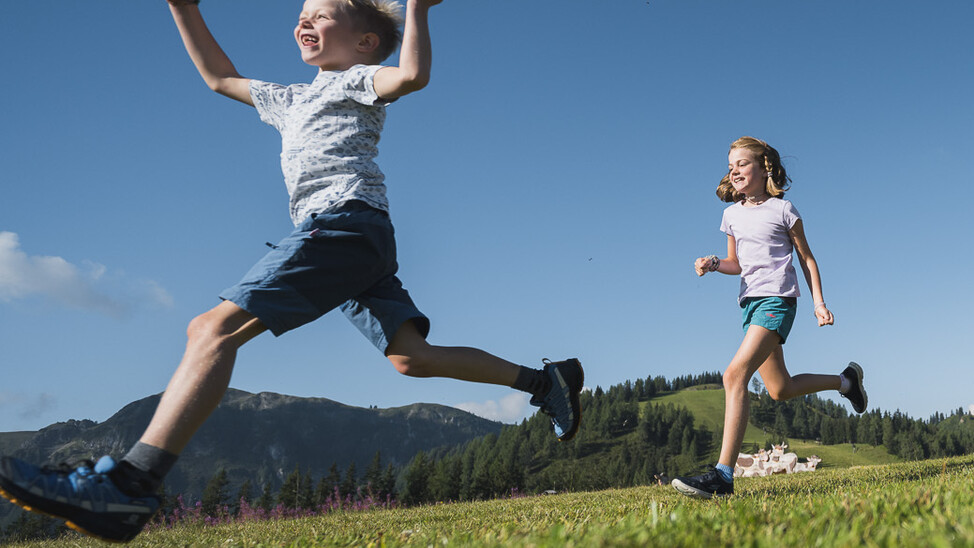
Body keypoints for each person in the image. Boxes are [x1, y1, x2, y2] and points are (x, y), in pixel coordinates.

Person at [0, 1, 583, 541]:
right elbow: (219, 78)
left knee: (209, 330)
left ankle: (128, 486)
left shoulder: (355, 80)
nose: (303, 21)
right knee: (412, 358)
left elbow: (411, 78)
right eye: (301, 14)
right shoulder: (289, 100)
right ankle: (543, 382)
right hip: (354, 242)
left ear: (364, 41)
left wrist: (418, 10)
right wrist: (184, 8)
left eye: (321, 14)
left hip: (344, 226)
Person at [670, 136, 868, 499]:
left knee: (734, 375)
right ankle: (846, 382)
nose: (734, 171)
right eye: (730, 166)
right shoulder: (730, 215)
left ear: (764, 167)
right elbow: (738, 263)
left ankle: (722, 476)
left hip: (778, 301)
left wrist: (819, 304)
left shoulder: (783, 210)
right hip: (749, 304)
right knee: (780, 389)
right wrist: (714, 264)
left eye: (742, 164)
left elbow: (807, 259)